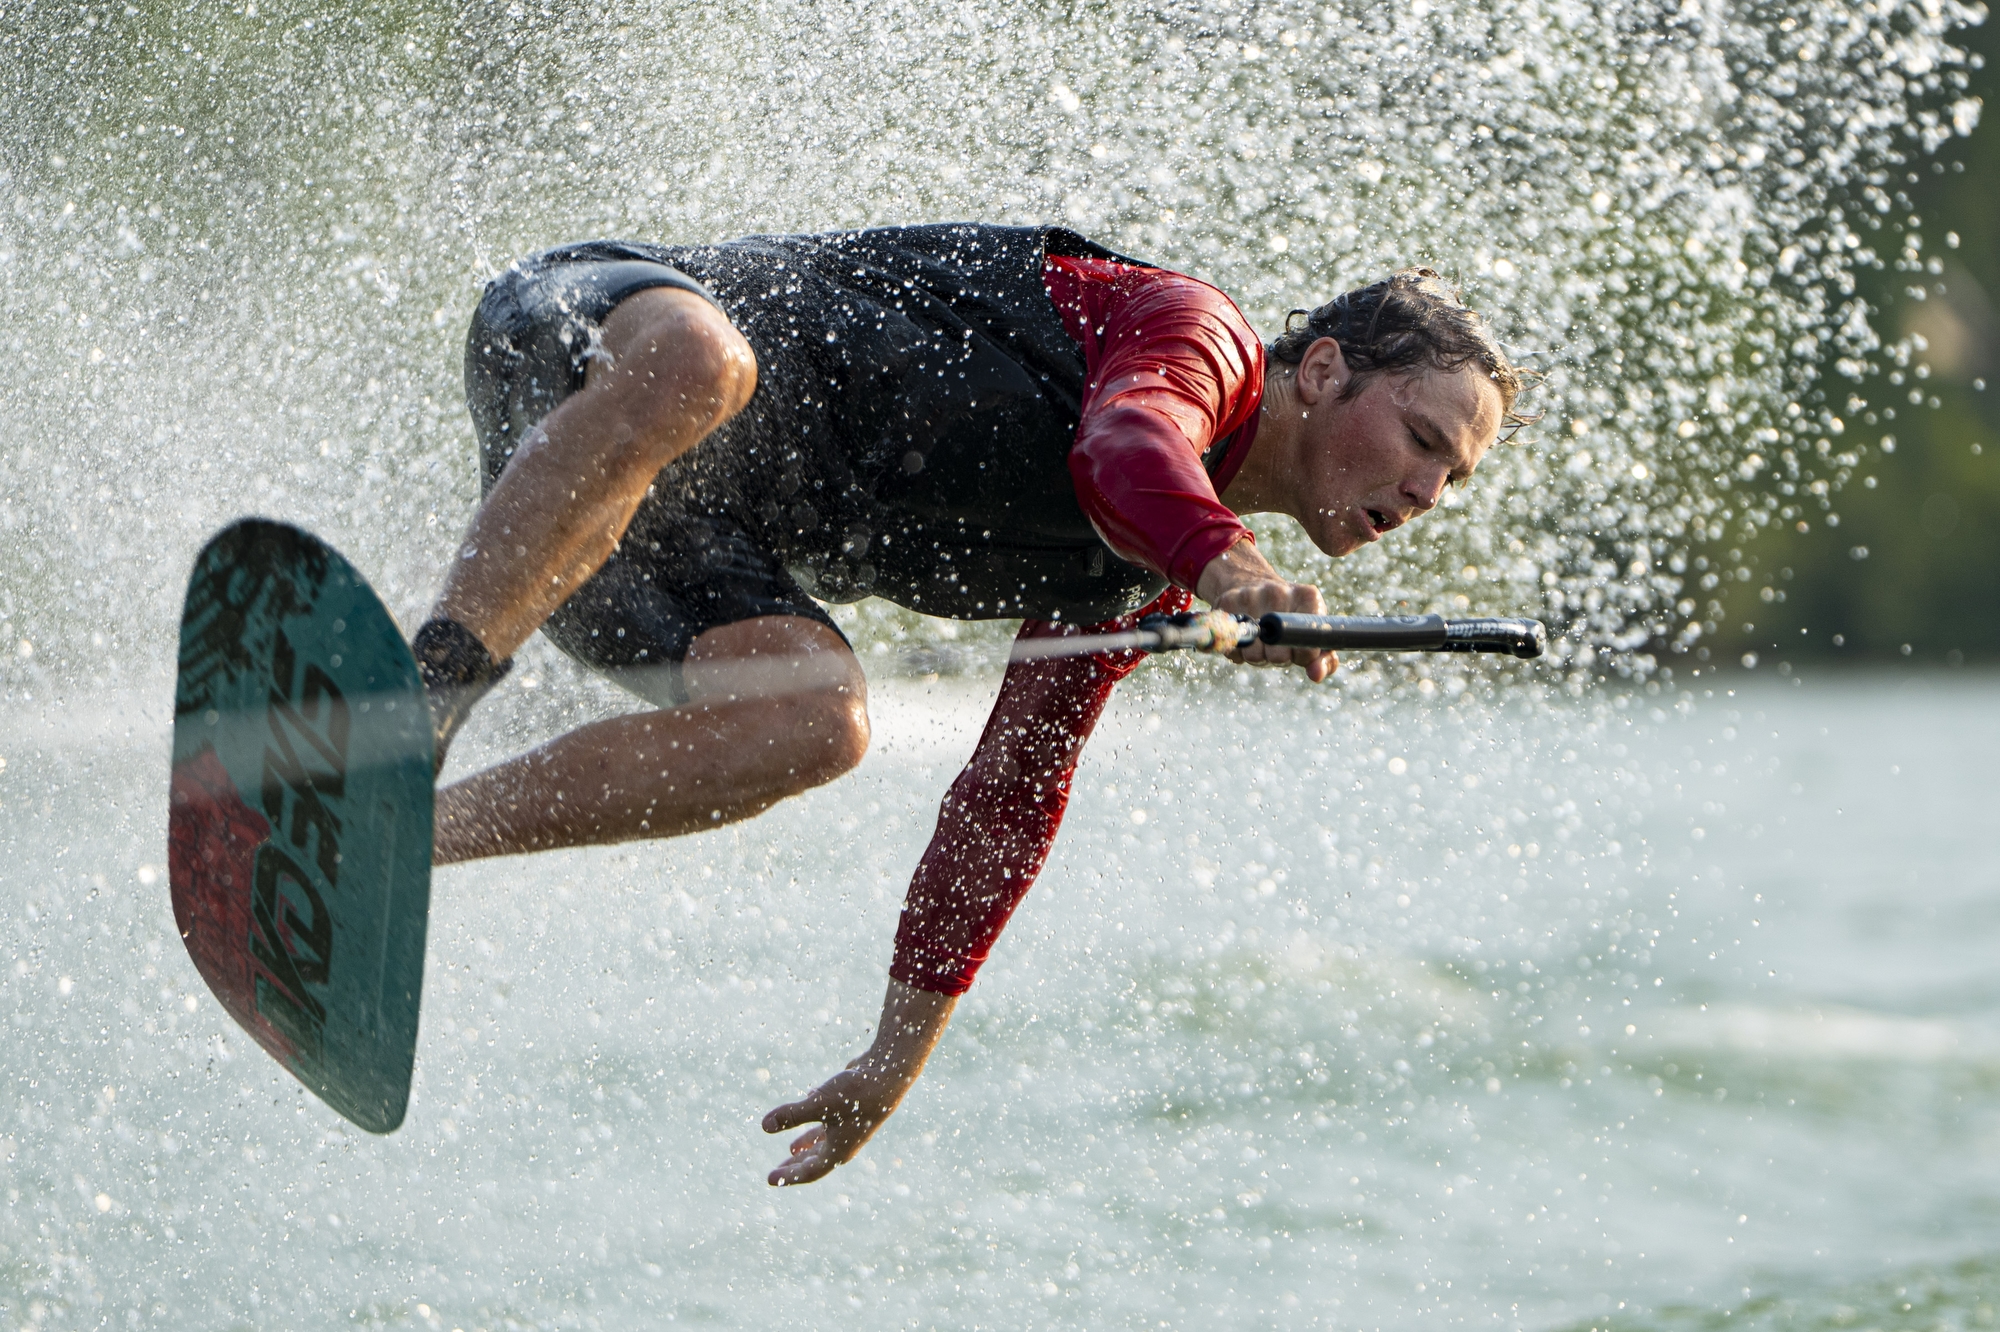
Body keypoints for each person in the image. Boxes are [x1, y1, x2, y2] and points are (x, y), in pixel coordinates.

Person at [410, 223, 1527, 1187]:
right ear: (1323, 370)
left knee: (818, 722)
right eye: (1422, 440)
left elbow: (1009, 795)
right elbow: (1124, 444)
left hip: (642, 543)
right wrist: (1228, 569)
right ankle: (415, 709)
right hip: (593, 337)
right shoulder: (1196, 338)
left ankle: (394, 838)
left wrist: (890, 1061)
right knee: (704, 362)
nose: (1427, 491)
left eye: (1454, 479)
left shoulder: (1135, 578)